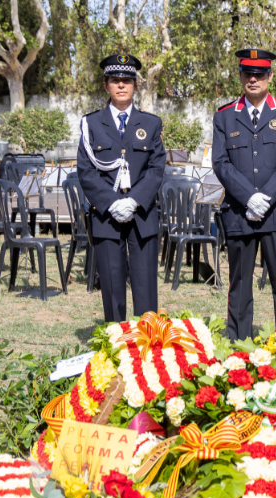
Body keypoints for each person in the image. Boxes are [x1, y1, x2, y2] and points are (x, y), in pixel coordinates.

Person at [212, 48, 276, 341]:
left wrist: (265, 197)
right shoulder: (224, 116)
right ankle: (237, 349)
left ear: (270, 76)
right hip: (239, 213)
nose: (254, 79)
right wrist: (248, 197)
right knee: (239, 285)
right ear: (240, 76)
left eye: (260, 73)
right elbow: (220, 162)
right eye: (248, 73)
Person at [77, 54, 166, 322]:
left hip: (142, 214)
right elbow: (85, 170)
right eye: (115, 81)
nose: (121, 86)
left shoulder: (151, 123)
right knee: (113, 287)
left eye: (127, 80)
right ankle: (116, 344)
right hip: (107, 215)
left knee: (146, 287)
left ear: (135, 86)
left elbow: (156, 167)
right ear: (106, 86)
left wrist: (135, 200)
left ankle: (146, 345)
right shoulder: (91, 123)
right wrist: (112, 202)